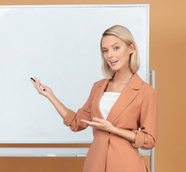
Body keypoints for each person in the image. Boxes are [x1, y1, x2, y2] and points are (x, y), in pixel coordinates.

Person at [30, 25, 158, 172]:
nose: (110, 55)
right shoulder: (98, 87)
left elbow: (149, 140)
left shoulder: (146, 92)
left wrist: (114, 130)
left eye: (116, 48)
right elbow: (76, 122)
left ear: (131, 48)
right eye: (105, 50)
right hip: (95, 163)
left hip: (126, 165)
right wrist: (50, 96)